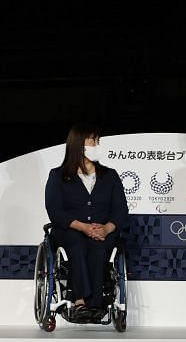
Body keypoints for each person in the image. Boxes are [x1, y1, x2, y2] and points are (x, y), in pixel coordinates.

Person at [45, 124, 129, 320]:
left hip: (103, 231)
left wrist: (107, 228)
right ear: (78, 145)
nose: (97, 145)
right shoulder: (58, 176)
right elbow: (54, 211)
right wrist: (82, 226)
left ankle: (96, 304)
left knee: (98, 247)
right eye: (93, 141)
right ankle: (80, 301)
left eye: (98, 141)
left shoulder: (110, 176)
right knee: (78, 243)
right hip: (69, 230)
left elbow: (121, 210)